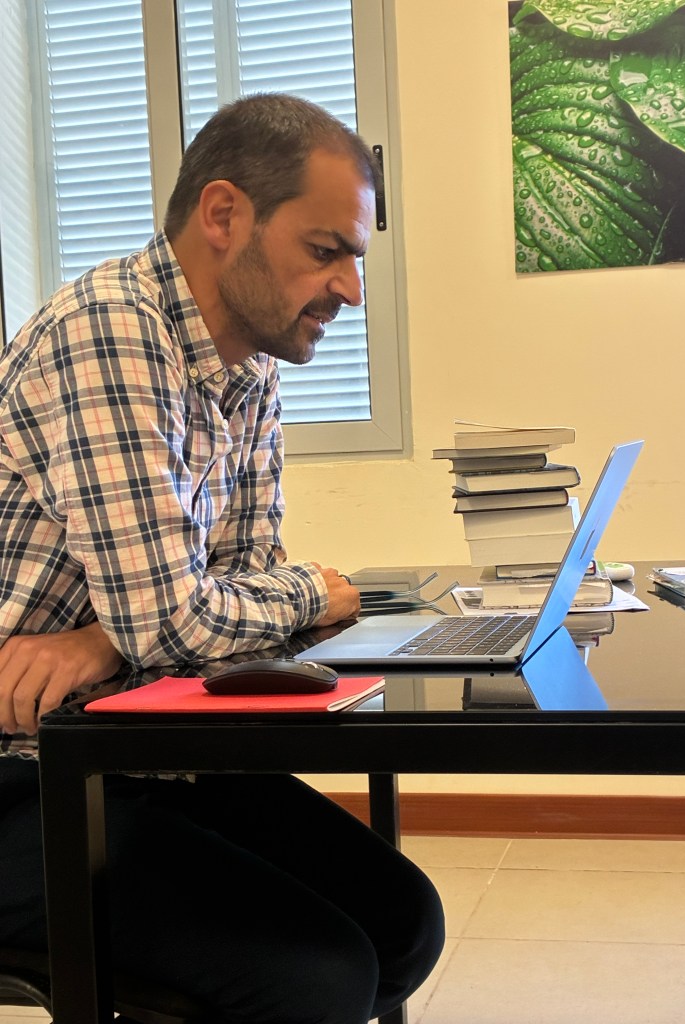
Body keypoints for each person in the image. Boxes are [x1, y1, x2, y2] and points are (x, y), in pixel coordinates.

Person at [0, 94, 444, 1023]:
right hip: (22, 768)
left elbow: (214, 616)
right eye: (324, 251)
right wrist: (311, 590)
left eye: (356, 259)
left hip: (127, 738)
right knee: (315, 976)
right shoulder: (111, 333)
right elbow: (183, 621)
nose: (351, 291)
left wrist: (108, 638)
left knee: (403, 924)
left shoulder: (251, 366)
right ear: (223, 214)